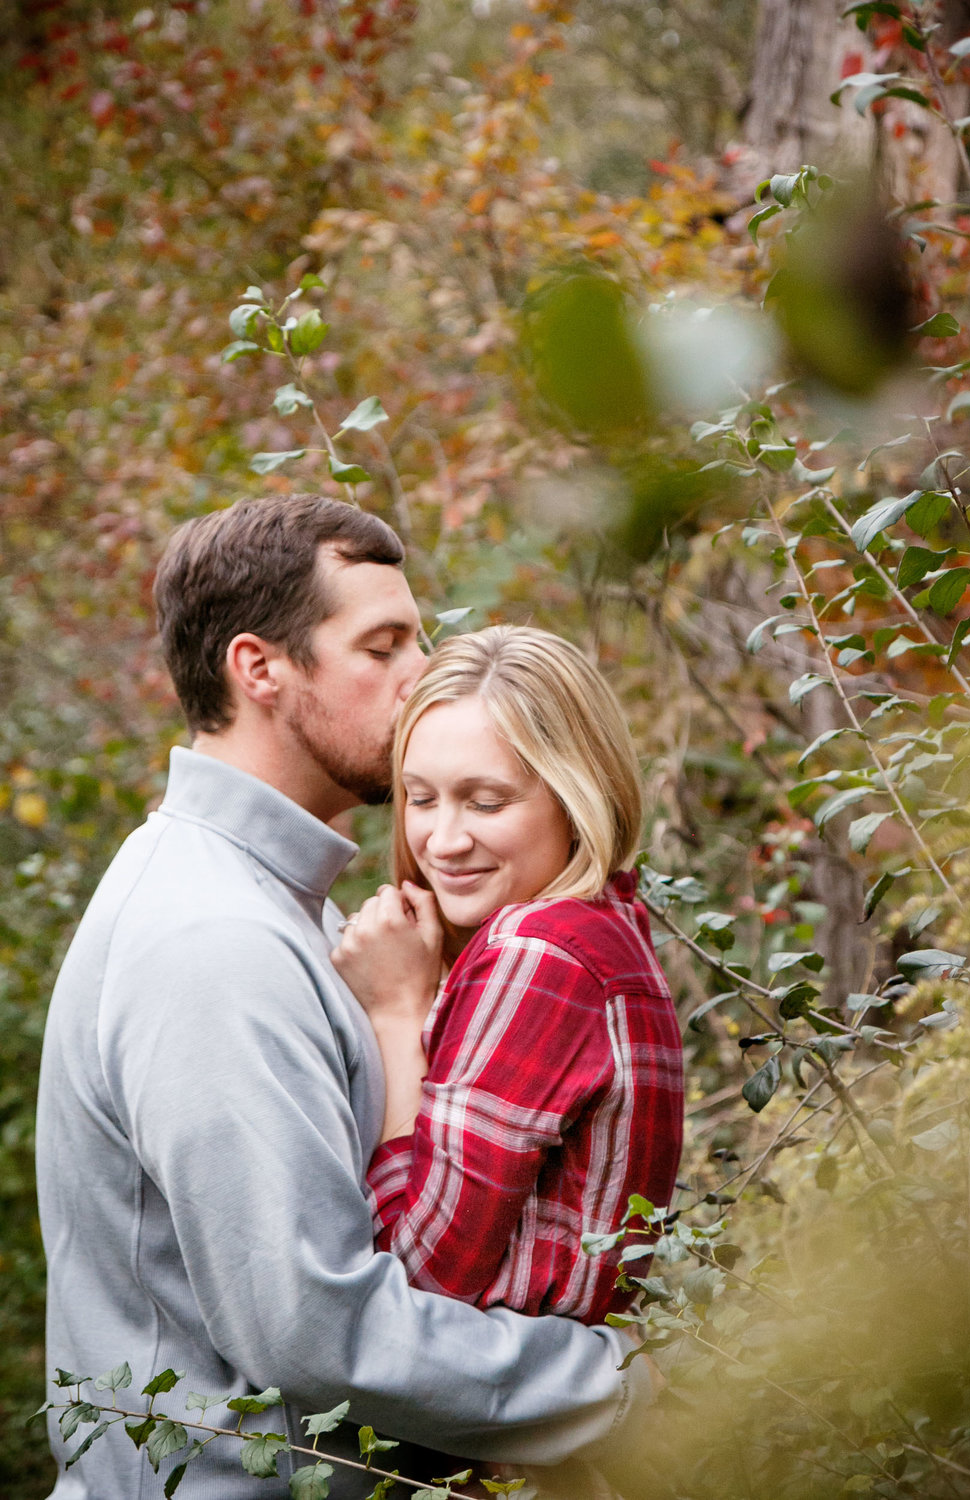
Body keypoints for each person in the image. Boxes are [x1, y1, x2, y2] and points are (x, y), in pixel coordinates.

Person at [35, 495, 653, 1500]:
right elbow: (318, 1330)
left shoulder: (292, 915)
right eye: (384, 645)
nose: (422, 678)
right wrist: (618, 1387)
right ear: (261, 670)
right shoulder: (213, 940)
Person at [332, 627, 684, 1329]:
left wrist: (399, 1014)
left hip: (498, 1421)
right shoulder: (610, 928)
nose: (444, 839)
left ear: (576, 794)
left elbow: (416, 1284)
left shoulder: (539, 952)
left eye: (486, 802)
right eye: (421, 798)